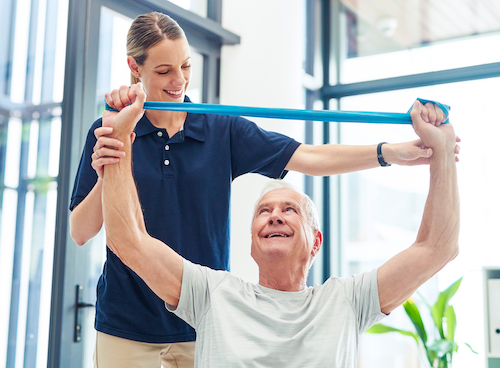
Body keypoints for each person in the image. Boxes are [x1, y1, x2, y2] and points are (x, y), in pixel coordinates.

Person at [69, 11, 454, 368]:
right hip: (127, 322)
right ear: (134, 68)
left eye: (186, 66)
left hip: (201, 318)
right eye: (165, 70)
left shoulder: (222, 131)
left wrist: (392, 153)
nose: (180, 81)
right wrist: (112, 166)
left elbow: (311, 158)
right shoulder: (112, 128)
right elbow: (82, 232)